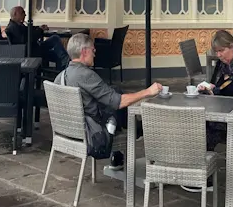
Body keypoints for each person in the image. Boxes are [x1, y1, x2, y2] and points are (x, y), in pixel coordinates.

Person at [58, 33, 161, 167]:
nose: (95, 54)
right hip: (93, 135)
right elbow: (119, 102)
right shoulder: (86, 75)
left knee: (114, 91)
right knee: (118, 101)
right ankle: (140, 131)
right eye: (93, 50)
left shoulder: (60, 77)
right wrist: (148, 92)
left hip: (70, 132)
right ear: (84, 52)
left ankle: (124, 147)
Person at [5, 6, 70, 69]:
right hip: (31, 52)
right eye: (22, 13)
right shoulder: (12, 27)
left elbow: (29, 29)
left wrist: (39, 27)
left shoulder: (18, 25)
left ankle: (64, 60)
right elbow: (27, 38)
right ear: (15, 14)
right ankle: (64, 62)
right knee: (56, 49)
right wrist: (40, 30)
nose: (25, 15)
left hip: (35, 48)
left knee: (55, 41)